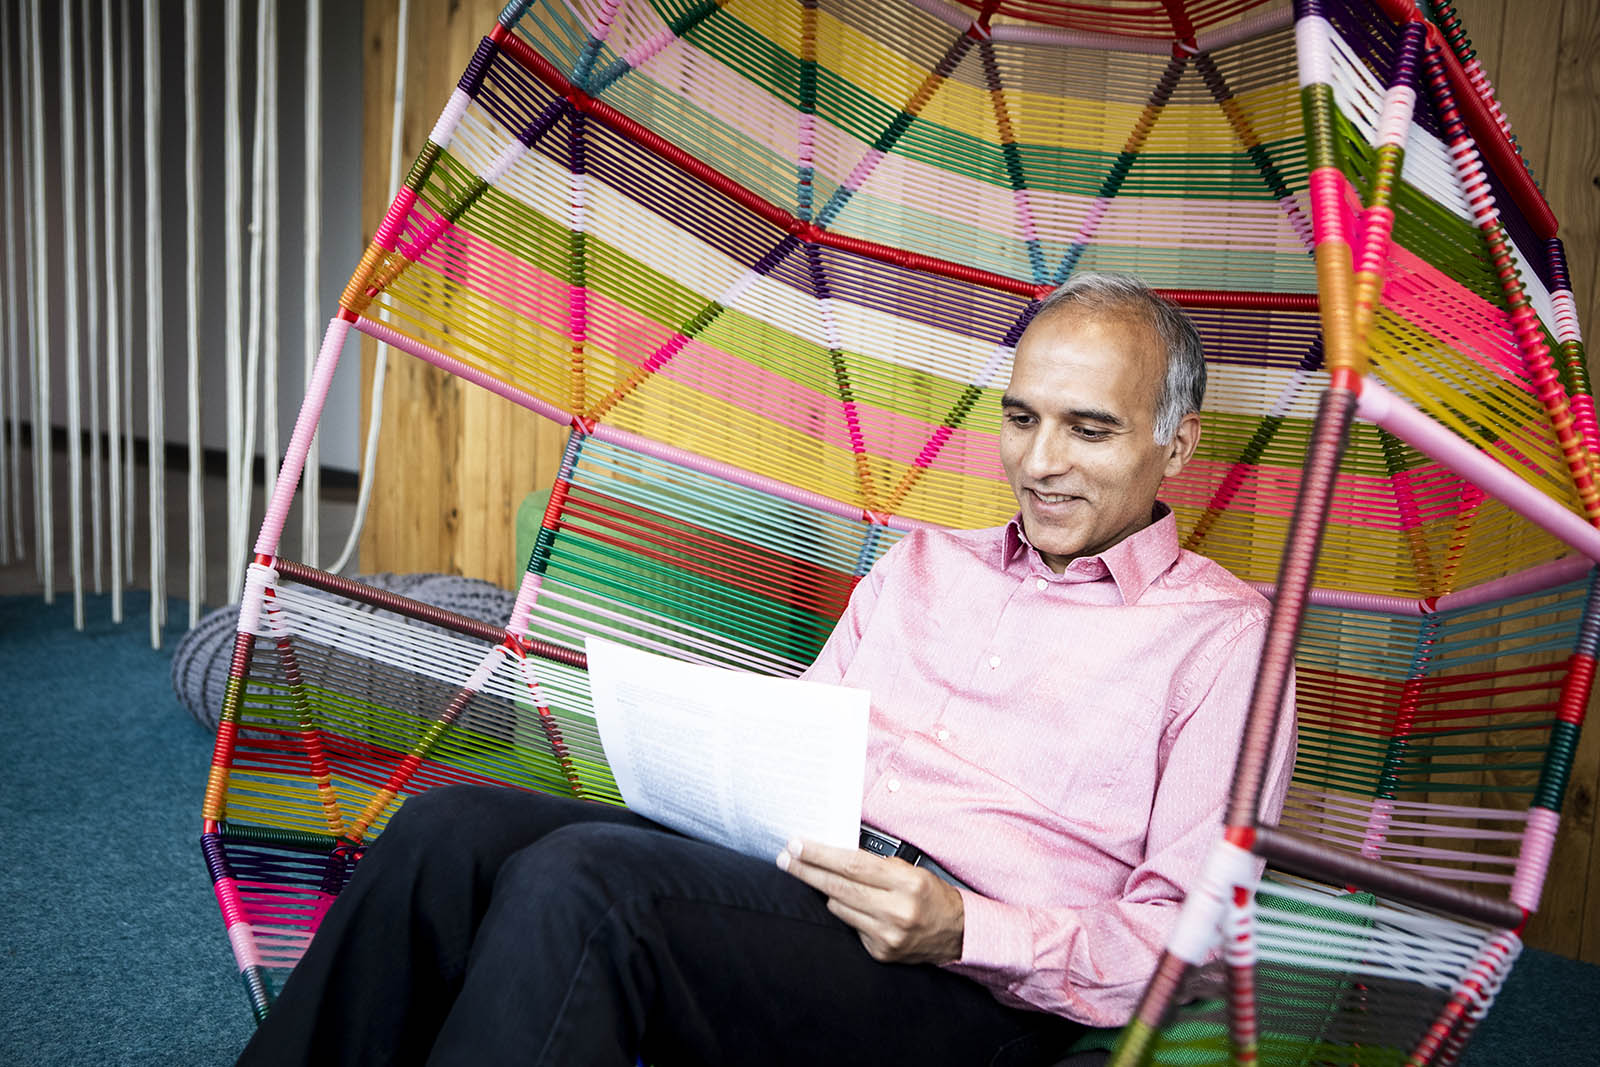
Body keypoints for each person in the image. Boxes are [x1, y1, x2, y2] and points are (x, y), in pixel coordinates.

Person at [236, 273, 1296, 1067]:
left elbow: (1181, 942)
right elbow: (804, 738)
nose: (1039, 460)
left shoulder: (1223, 638)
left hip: (965, 978)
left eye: (1089, 428)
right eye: (1021, 417)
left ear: (1177, 443)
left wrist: (964, 923)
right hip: (803, 875)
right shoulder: (923, 560)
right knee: (447, 828)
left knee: (585, 885)